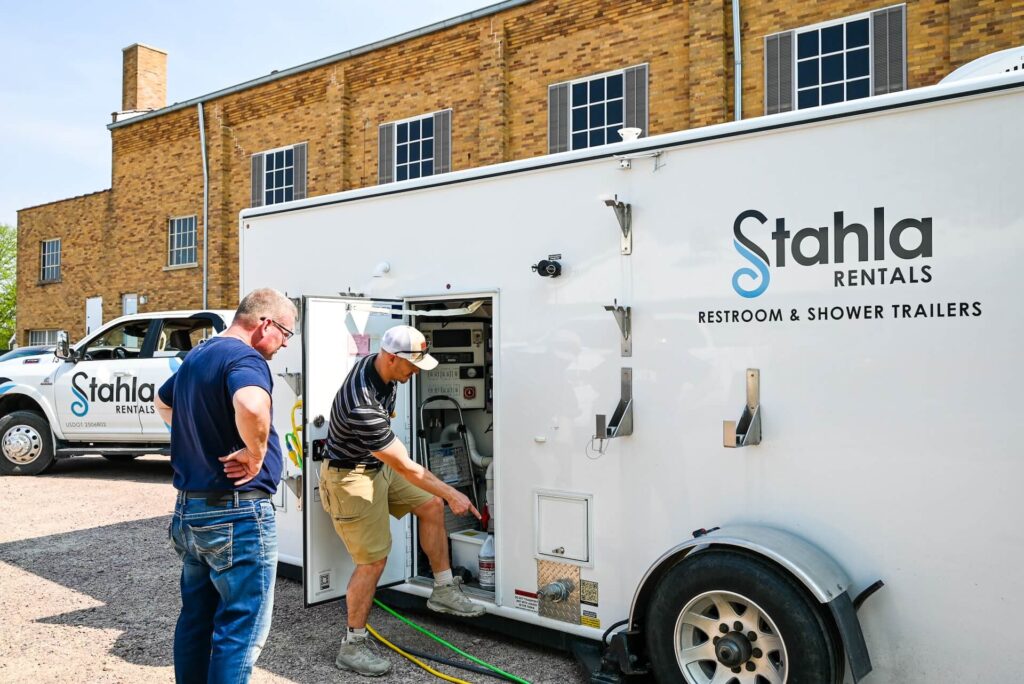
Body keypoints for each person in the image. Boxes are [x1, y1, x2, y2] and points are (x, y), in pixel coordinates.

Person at [322, 324, 485, 677]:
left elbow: (402, 466)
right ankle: (352, 646)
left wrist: (441, 495)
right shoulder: (361, 403)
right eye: (412, 366)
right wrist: (454, 492)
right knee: (374, 562)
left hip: (376, 465)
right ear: (392, 358)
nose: (415, 373)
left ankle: (442, 589)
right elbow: (408, 467)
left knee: (429, 505)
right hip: (350, 477)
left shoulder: (384, 370)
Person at [155, 288, 297, 684]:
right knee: (240, 631)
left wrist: (194, 435)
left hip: (192, 511)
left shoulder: (199, 354)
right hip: (237, 513)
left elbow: (162, 402)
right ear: (265, 324)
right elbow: (252, 405)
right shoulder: (244, 357)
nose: (284, 345)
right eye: (285, 334)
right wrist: (254, 454)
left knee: (196, 622)